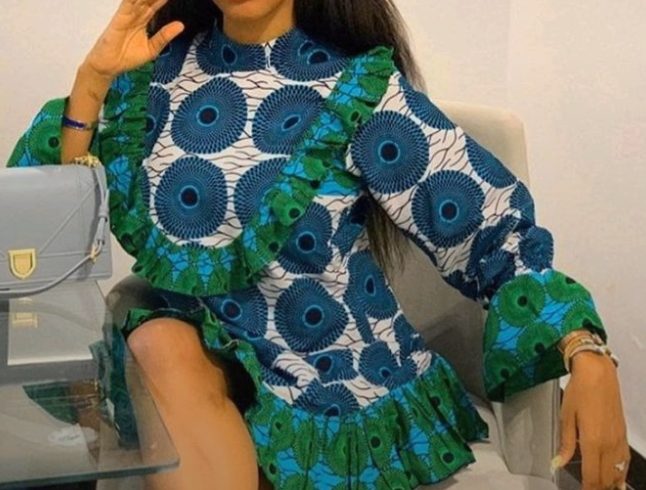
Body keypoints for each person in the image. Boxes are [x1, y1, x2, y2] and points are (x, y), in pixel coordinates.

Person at [8, 0, 631, 488]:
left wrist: (586, 351)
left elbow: (489, 228)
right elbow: (62, 210)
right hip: (203, 370)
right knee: (156, 338)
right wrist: (92, 82)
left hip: (332, 385)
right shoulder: (159, 73)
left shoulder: (355, 89)